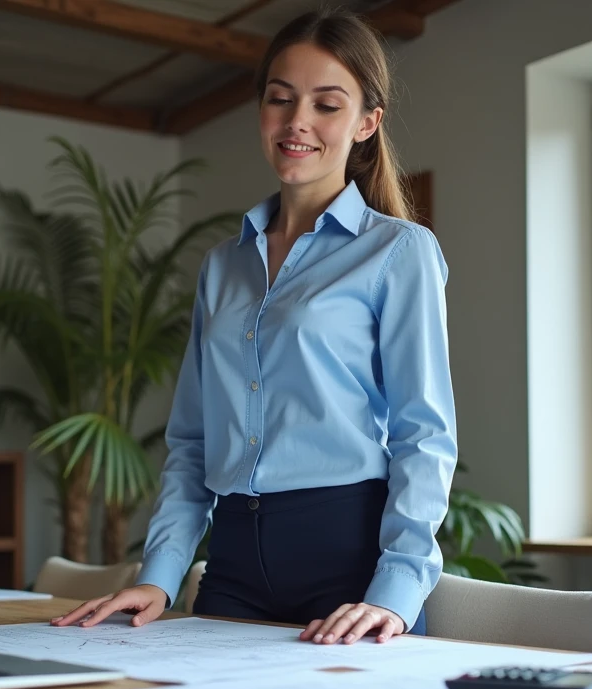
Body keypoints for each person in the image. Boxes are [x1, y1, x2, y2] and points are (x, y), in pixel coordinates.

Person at [52, 8, 457, 645]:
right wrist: (160, 576)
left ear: (366, 123)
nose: (298, 121)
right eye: (280, 98)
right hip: (234, 565)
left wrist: (395, 594)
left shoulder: (399, 252)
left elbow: (424, 435)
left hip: (348, 569)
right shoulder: (223, 264)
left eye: (327, 105)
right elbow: (192, 441)